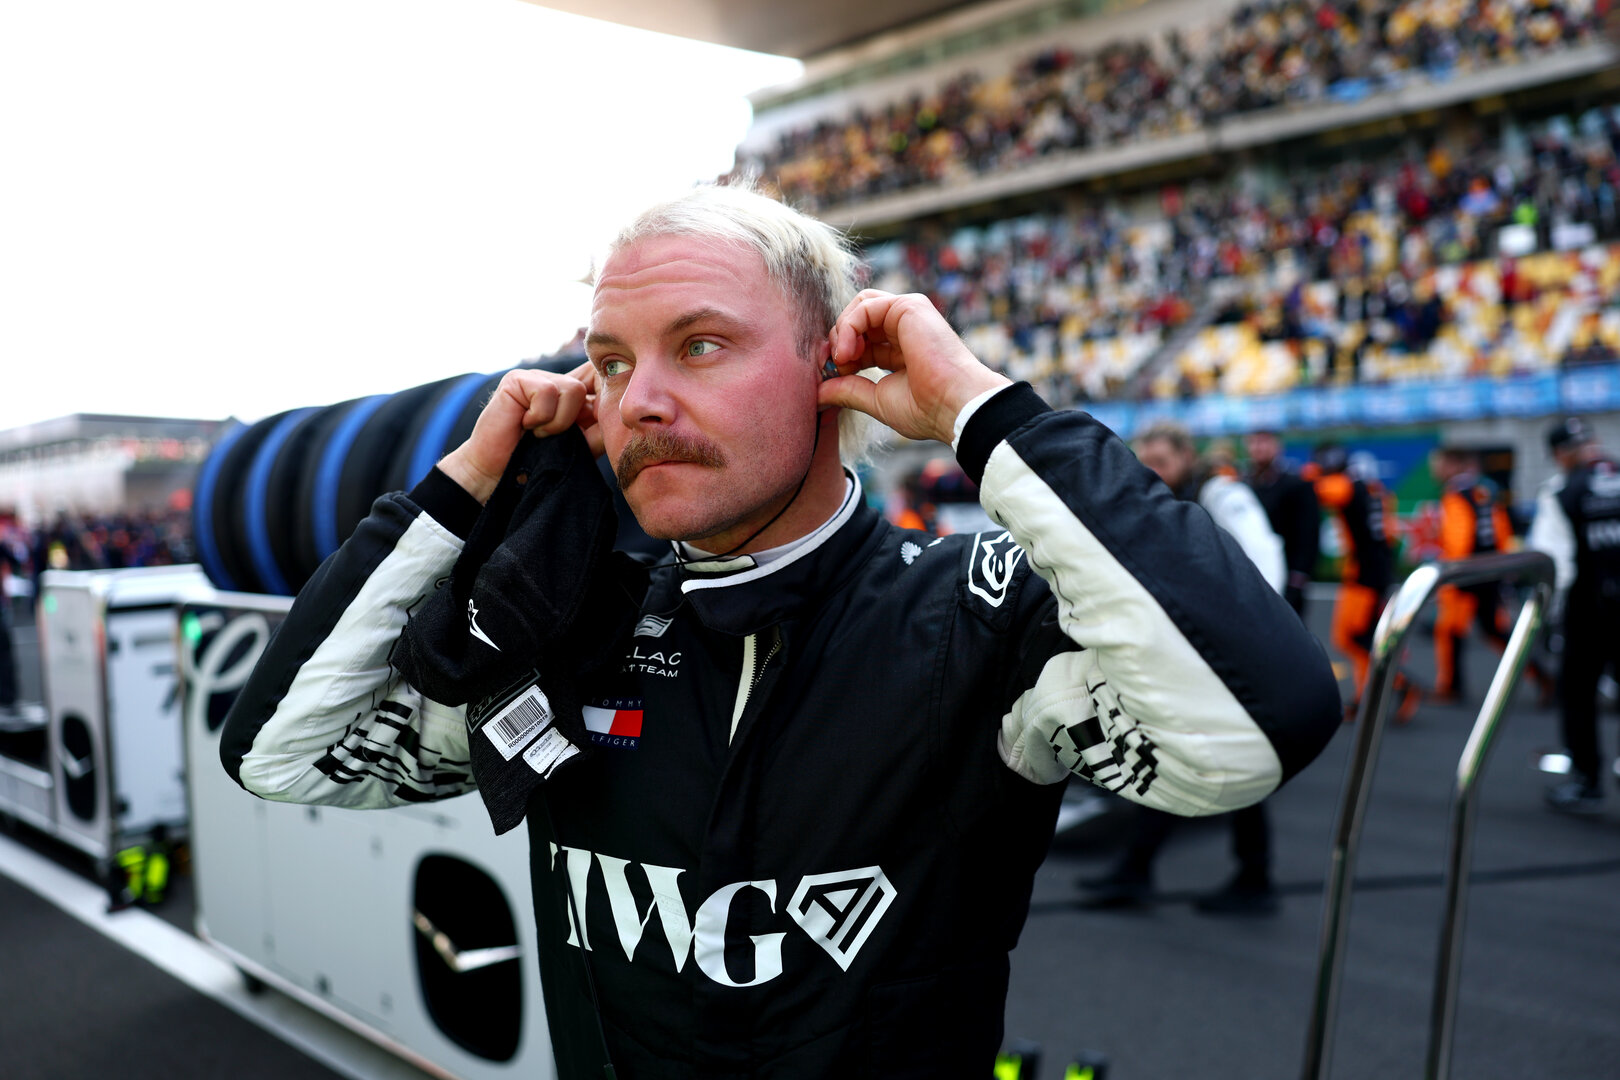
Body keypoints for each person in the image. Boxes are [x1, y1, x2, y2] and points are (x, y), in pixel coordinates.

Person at [220, 183, 1340, 1078]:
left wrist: (977, 409)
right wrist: (467, 482)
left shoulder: (972, 612)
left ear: (834, 369)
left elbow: (1250, 728)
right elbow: (278, 752)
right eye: (610, 362)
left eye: (700, 344)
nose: (638, 400)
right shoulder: (569, 627)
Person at [1080, 421, 1288, 915]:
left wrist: (1246, 635)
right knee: (1195, 752)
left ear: (1185, 457)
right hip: (1195, 647)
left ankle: (1156, 871)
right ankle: (1151, 870)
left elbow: (1266, 559)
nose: (1152, 470)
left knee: (1194, 751)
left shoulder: (1219, 492)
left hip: (1234, 648)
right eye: (1145, 460)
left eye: (1162, 461)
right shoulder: (1155, 501)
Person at [1526, 419, 1620, 815]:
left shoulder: (1560, 491)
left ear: (1559, 454)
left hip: (1590, 611)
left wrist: (1544, 617)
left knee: (1578, 692)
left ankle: (1586, 781)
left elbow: (1554, 565)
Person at [1308, 443, 1401, 719]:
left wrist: (1309, 474)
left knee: (1355, 636)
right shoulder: (1372, 487)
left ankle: (1398, 685)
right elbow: (1389, 531)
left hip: (1365, 573)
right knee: (1356, 635)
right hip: (1375, 569)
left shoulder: (1343, 485)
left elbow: (1315, 491)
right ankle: (1367, 695)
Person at [1429, 446, 1521, 704]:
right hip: (1489, 570)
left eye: (1439, 463)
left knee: (1449, 631)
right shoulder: (1484, 492)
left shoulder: (1456, 496)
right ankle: (1542, 676)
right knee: (1493, 629)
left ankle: (1450, 687)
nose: (1435, 469)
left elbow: (1459, 540)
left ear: (1453, 464)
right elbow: (1501, 530)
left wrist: (1448, 572)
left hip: (1465, 574)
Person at [1245, 430, 1319, 617]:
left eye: (1264, 442)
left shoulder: (1297, 485)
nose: (1258, 448)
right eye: (1254, 443)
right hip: (1252, 576)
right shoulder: (1243, 486)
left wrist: (1298, 578)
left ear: (1277, 447)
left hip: (1287, 576)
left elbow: (1308, 535)